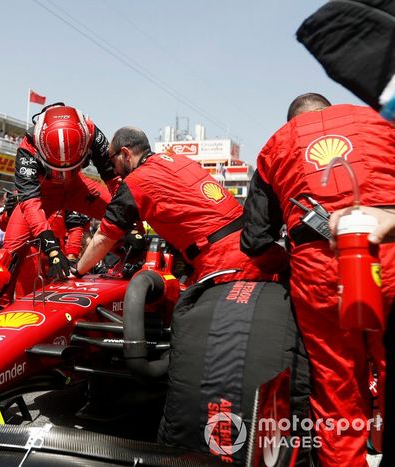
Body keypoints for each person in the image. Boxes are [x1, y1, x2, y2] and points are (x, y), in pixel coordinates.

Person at [240, 93, 395, 466]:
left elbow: (256, 241)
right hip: (388, 247)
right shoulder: (378, 122)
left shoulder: (275, 146)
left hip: (318, 268)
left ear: (290, 121)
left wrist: (288, 264)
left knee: (337, 388)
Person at [76, 126, 282, 284]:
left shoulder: (137, 181)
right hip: (257, 248)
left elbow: (103, 237)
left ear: (126, 154)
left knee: (183, 326)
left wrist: (77, 271)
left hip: (225, 261)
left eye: (112, 161)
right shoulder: (179, 160)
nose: (114, 170)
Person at [2, 103, 119, 295]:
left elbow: (113, 177)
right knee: (10, 250)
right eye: (57, 169)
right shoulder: (27, 147)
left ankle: (128, 272)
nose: (63, 173)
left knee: (127, 219)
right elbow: (30, 204)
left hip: (78, 187)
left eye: (70, 167)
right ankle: (1, 303)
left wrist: (126, 222)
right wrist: (53, 248)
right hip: (44, 195)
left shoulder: (90, 132)